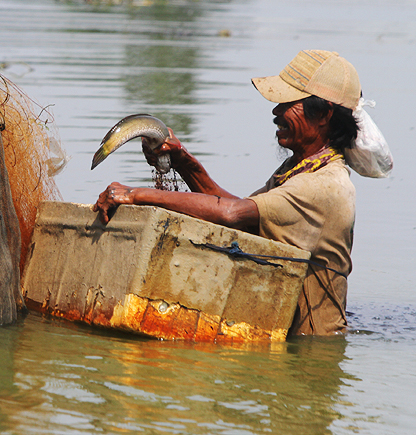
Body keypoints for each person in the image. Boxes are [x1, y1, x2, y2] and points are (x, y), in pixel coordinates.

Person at [93, 50, 365, 336]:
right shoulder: (300, 169)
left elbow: (229, 214)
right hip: (285, 336)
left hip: (312, 350)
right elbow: (241, 212)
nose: (276, 113)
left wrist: (135, 195)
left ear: (323, 115)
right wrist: (184, 161)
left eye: (287, 104)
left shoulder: (323, 186)